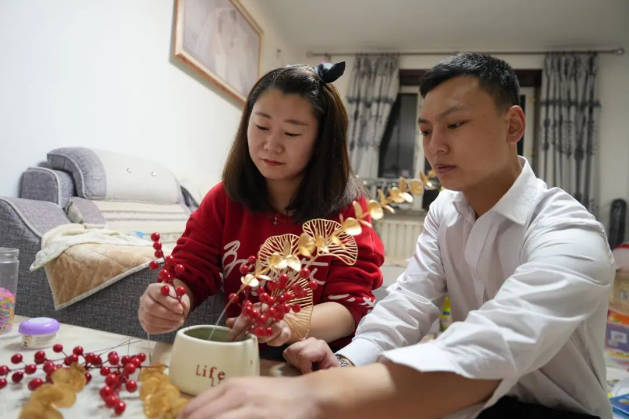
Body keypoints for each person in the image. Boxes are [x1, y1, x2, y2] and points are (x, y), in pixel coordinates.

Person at [178, 53, 614, 418]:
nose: (435, 146)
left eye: (455, 125)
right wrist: (346, 363)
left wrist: (318, 394)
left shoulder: (569, 233)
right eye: (425, 130)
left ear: (513, 125)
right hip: (470, 407)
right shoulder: (446, 211)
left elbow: (499, 342)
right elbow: (409, 304)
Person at [137, 62, 384, 351]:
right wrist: (170, 302)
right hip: (241, 355)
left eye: (291, 133)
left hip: (318, 360)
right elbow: (191, 269)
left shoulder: (348, 211)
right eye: (261, 126)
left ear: (322, 142)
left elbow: (351, 306)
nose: (271, 144)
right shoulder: (223, 200)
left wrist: (288, 323)